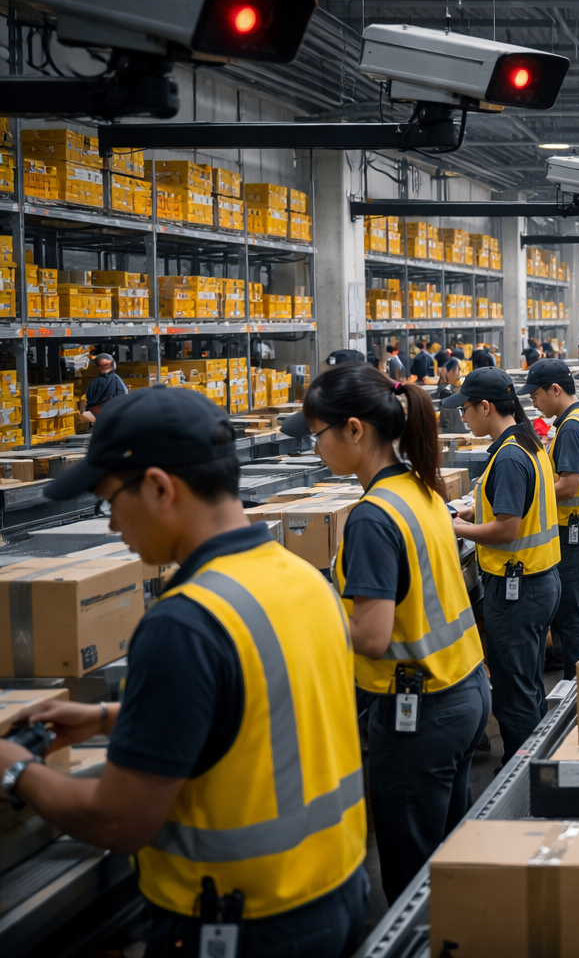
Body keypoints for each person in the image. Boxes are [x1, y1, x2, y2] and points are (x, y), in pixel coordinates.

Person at [0, 388, 368, 956]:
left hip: (242, 926)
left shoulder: (186, 622)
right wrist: (107, 717)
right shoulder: (302, 578)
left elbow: (120, 822)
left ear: (157, 487)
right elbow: (265, 701)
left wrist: (16, 769)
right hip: (336, 894)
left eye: (107, 501)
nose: (111, 526)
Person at [288, 366, 488, 903]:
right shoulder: (419, 487)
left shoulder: (373, 516)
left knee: (412, 880)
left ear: (354, 430)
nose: (316, 449)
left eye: (317, 435)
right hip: (464, 690)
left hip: (419, 712)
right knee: (446, 863)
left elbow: (371, 636)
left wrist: (298, 610)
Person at [448, 368, 562, 765]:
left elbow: (508, 529)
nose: (463, 417)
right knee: (526, 682)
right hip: (538, 580)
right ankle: (536, 760)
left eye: (465, 409)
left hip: (519, 588)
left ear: (485, 406)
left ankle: (521, 773)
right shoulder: (526, 443)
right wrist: (474, 509)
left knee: (514, 691)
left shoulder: (509, 456)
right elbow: (515, 507)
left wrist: (460, 527)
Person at [521, 358, 579, 676]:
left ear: (555, 390)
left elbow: (567, 485)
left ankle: (576, 693)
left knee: (573, 616)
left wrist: (527, 496)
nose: (534, 403)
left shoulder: (572, 427)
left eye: (536, 395)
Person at [80, 353, 128, 423]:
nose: (104, 367)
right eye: (101, 365)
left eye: (106, 365)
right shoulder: (96, 381)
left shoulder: (114, 379)